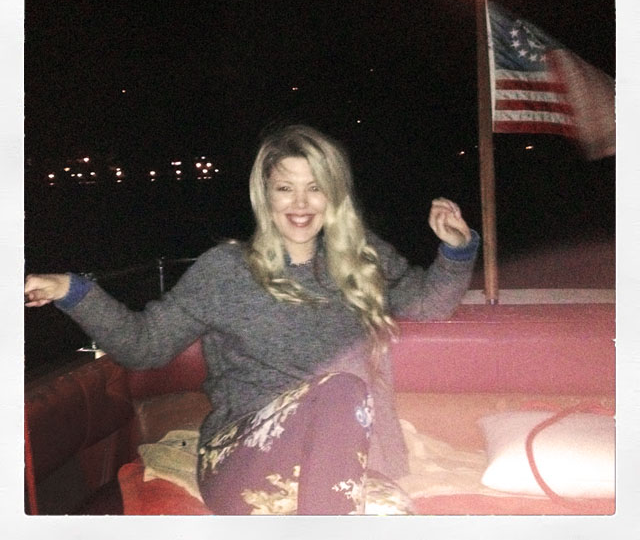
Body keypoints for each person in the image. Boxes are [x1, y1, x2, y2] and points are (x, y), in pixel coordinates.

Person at [25, 124, 480, 515]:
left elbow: (429, 304)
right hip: (243, 459)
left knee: (395, 514)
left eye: (314, 187)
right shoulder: (226, 270)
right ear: (265, 194)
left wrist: (456, 250)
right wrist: (74, 291)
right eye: (285, 188)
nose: (300, 203)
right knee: (342, 388)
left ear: (333, 195)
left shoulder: (363, 260)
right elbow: (145, 346)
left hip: (344, 464)